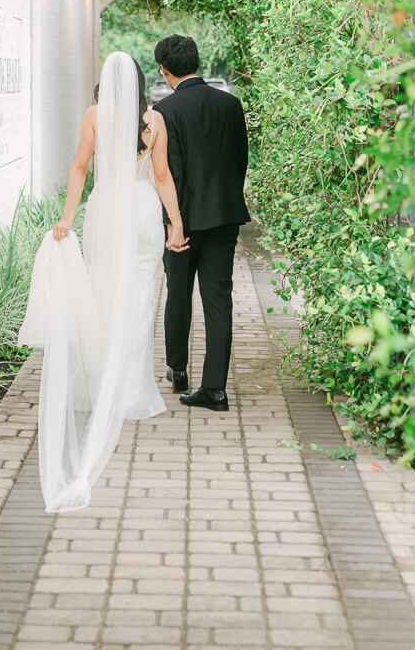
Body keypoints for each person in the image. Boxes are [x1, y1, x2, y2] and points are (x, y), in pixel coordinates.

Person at [18, 51, 187, 512]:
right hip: (142, 213)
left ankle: (100, 382)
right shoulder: (153, 121)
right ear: (137, 83)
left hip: (105, 211)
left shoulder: (95, 115)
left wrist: (67, 218)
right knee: (139, 300)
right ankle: (130, 388)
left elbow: (78, 168)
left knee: (102, 293)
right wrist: (175, 224)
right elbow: (163, 176)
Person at [153, 34, 250, 412]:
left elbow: (169, 174)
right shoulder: (230, 103)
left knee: (178, 294)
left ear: (164, 68)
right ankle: (215, 389)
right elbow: (240, 160)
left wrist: (172, 223)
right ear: (196, 62)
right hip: (224, 216)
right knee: (218, 300)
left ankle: (178, 370)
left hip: (184, 220)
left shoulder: (166, 110)